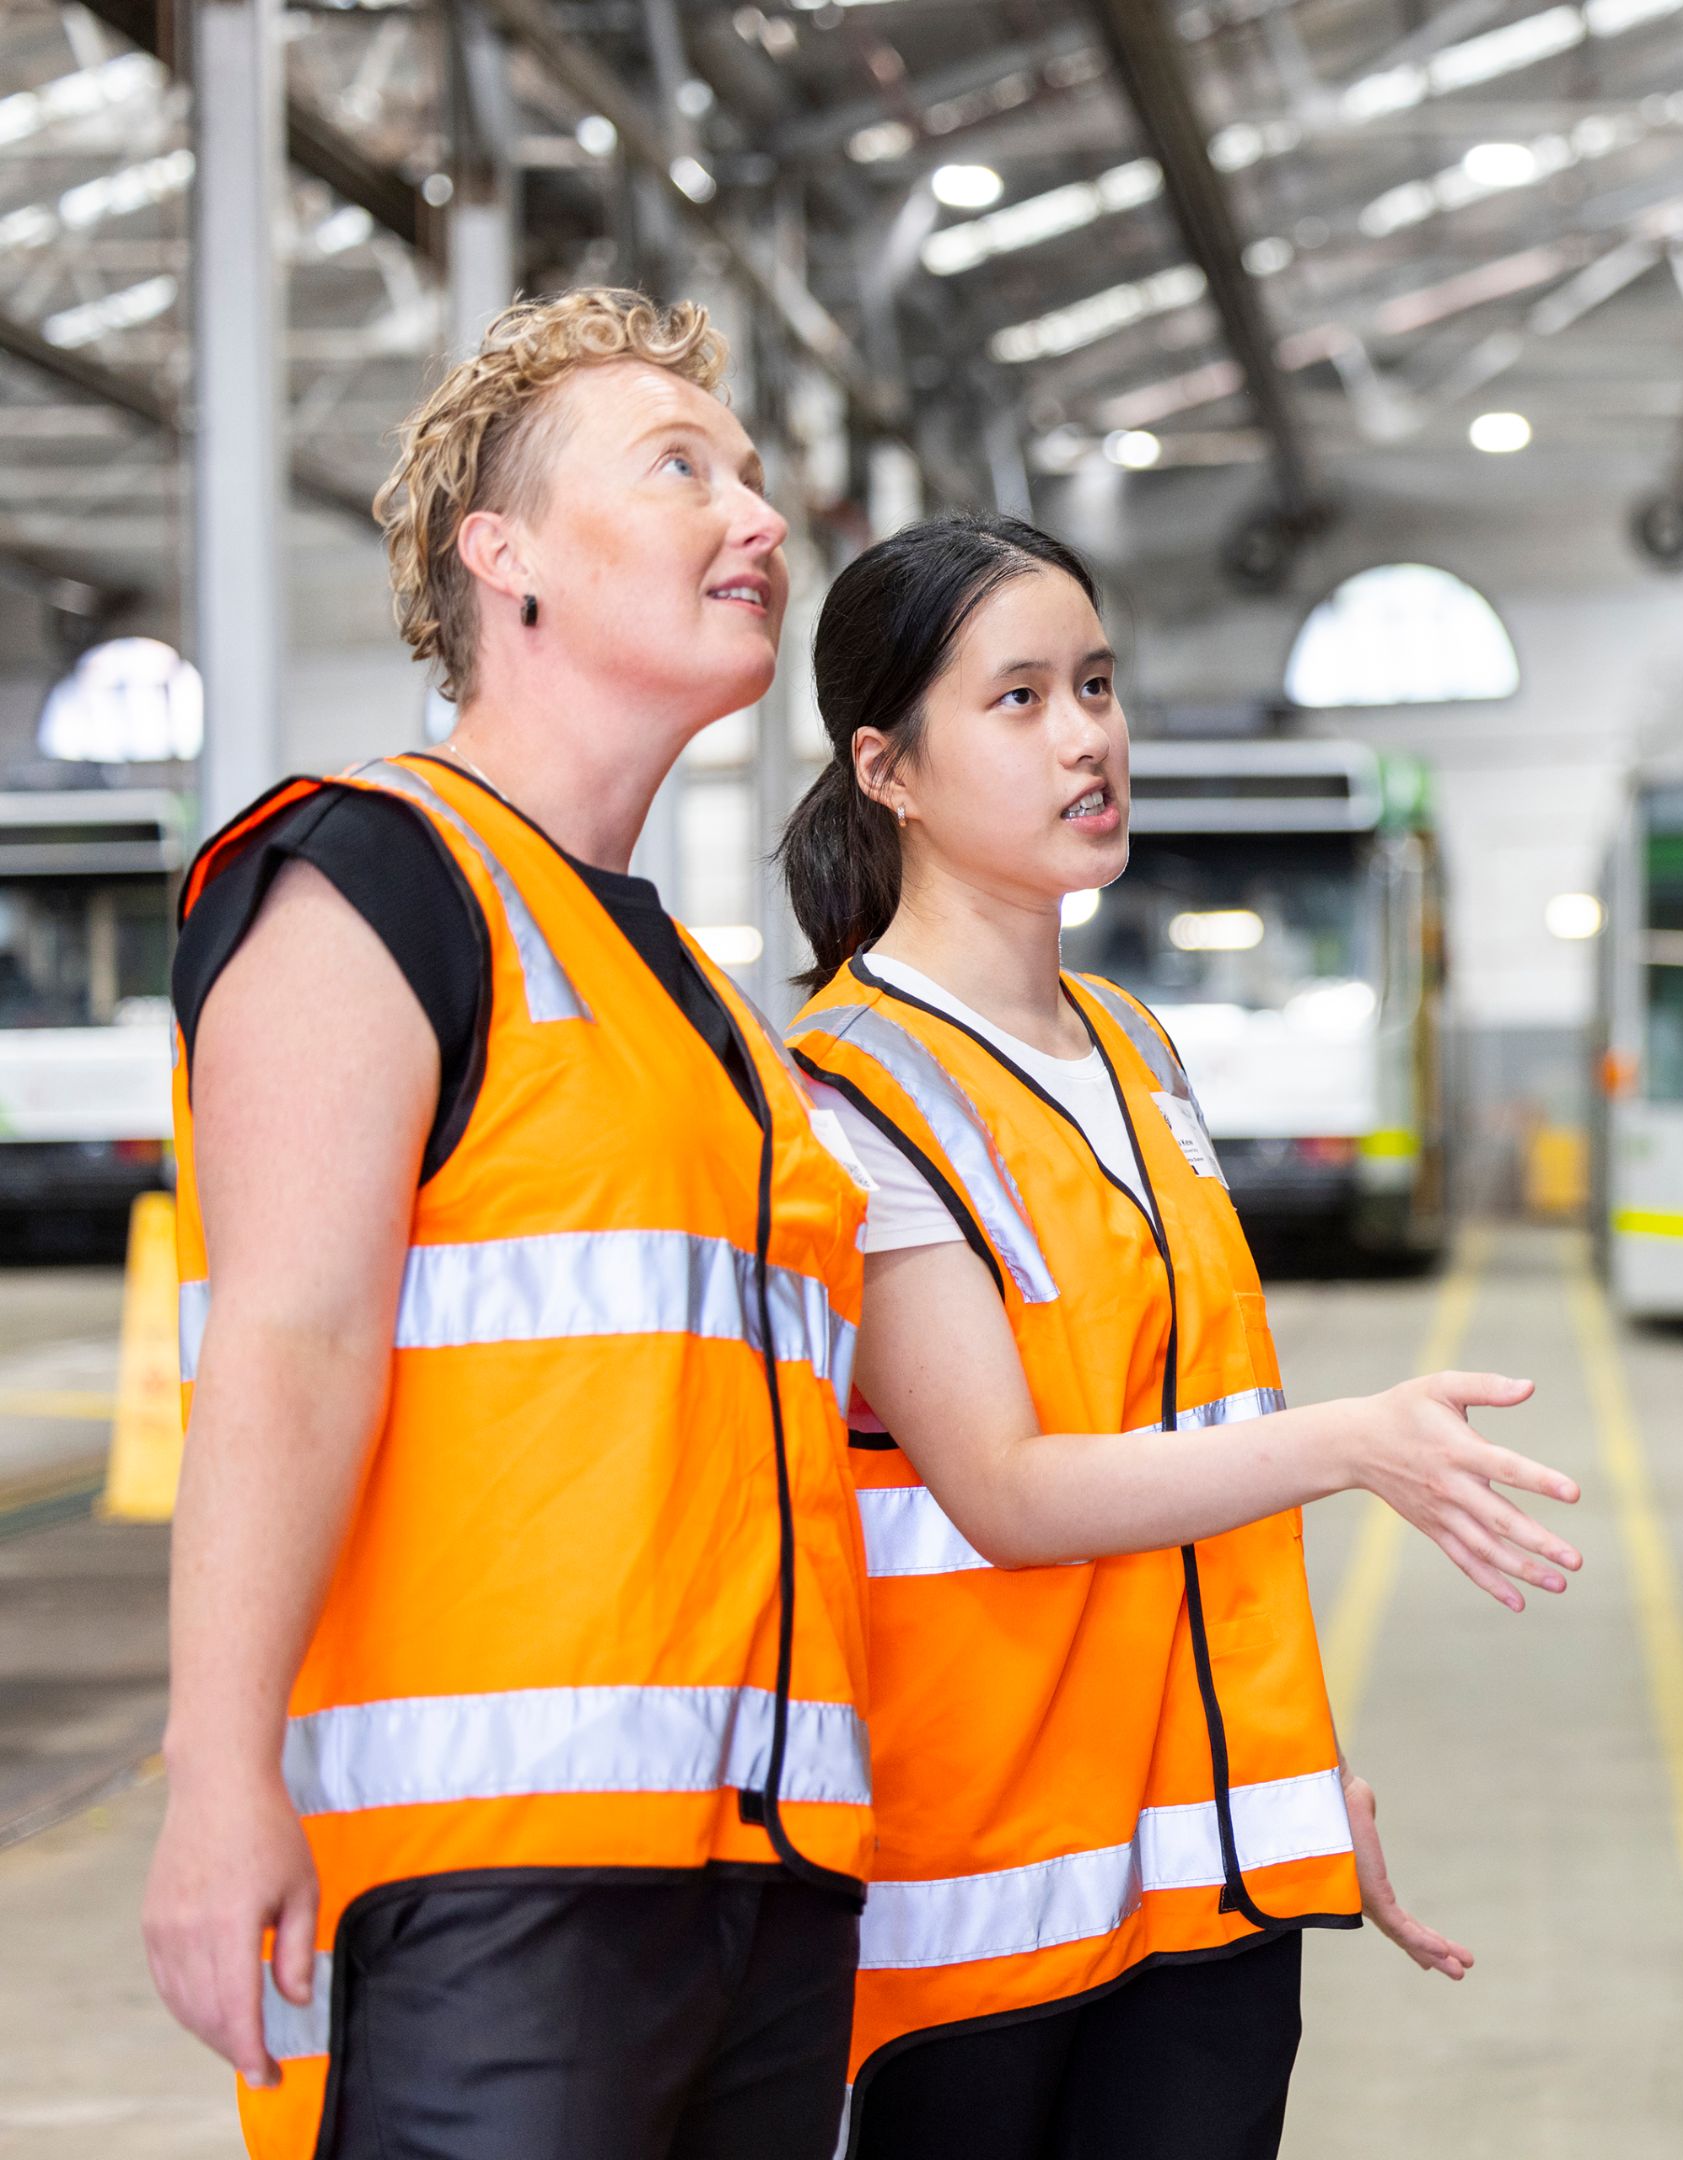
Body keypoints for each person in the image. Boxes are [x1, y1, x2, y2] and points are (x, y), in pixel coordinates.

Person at [140, 289, 875, 2160]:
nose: (759, 518)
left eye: (758, 478)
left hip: (752, 1871)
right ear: (507, 557)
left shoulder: (691, 997)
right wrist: (216, 1781)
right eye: (682, 468)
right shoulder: (368, 882)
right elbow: (286, 1350)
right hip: (488, 1894)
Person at [775, 512, 1582, 2158]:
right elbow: (1003, 1488)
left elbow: (1199, 1436)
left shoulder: (1137, 1049)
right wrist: (1357, 1446)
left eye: (1094, 683)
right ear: (890, 769)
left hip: (1210, 1888)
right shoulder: (855, 1090)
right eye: (1016, 700)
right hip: (981, 1907)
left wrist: (1294, 1774)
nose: (1087, 738)